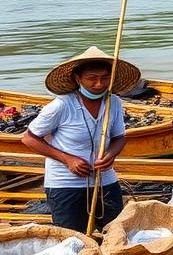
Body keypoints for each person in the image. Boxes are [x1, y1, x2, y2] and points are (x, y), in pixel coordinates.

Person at [19, 47, 137, 232]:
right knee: (73, 239)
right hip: (66, 183)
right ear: (77, 78)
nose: (99, 84)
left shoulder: (113, 102)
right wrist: (68, 160)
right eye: (92, 78)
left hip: (104, 179)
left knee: (115, 232)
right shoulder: (62, 105)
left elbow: (119, 138)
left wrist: (111, 155)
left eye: (105, 78)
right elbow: (29, 138)